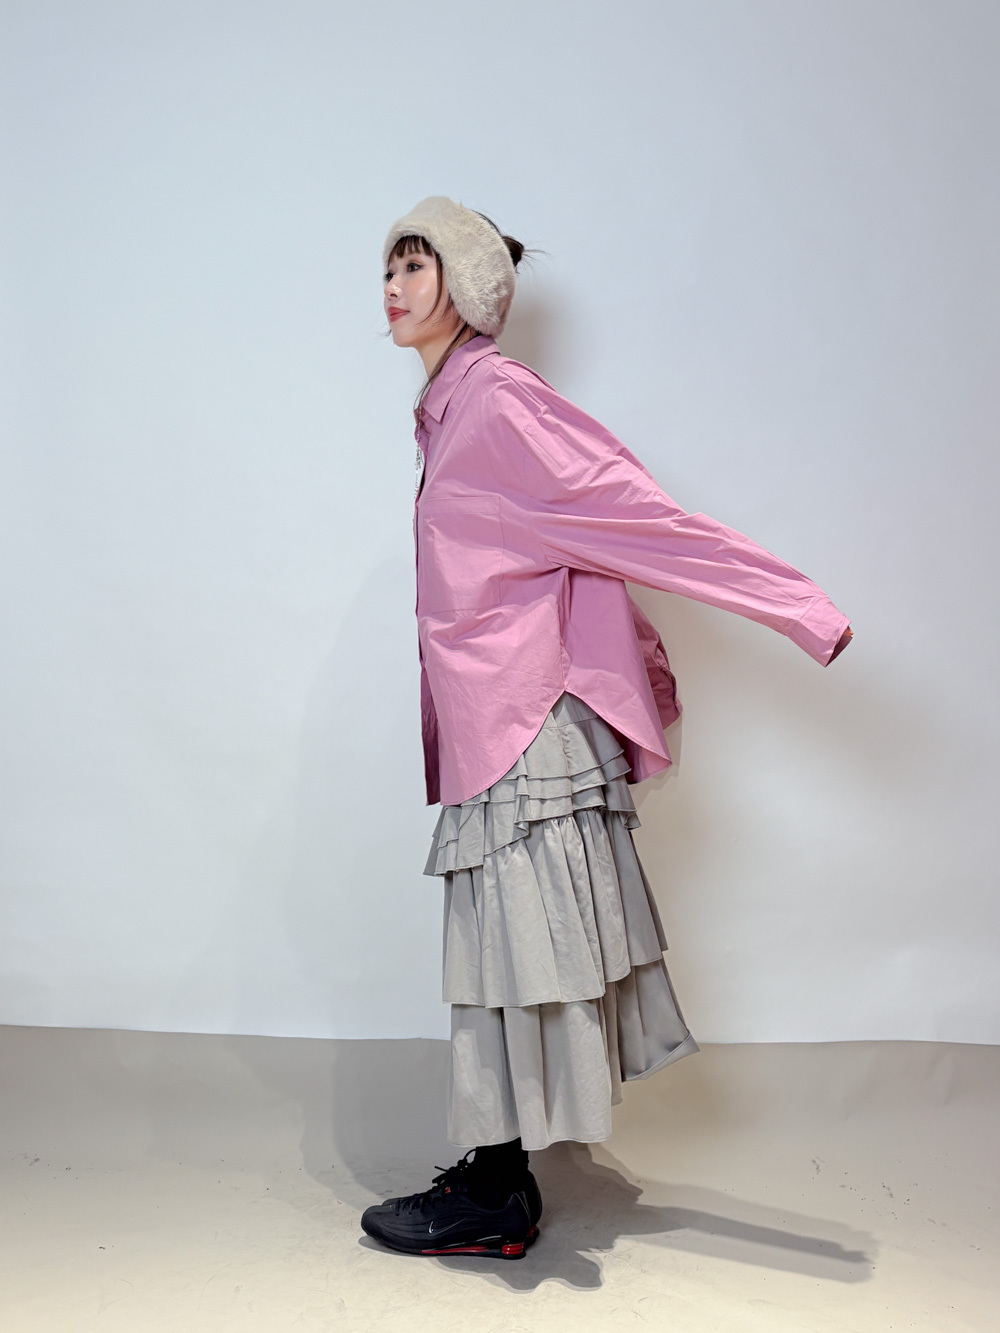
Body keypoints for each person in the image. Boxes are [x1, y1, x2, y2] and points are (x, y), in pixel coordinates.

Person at [360, 196, 853, 1261]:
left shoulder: (500, 403)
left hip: (524, 725)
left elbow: (638, 516)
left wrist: (799, 608)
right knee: (501, 955)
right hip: (494, 716)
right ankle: (498, 1178)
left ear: (467, 286)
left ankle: (496, 1190)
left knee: (506, 953)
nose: (392, 287)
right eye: (388, 267)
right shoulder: (446, 411)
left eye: (416, 266)